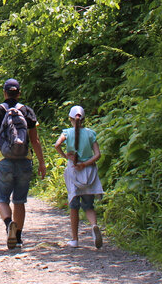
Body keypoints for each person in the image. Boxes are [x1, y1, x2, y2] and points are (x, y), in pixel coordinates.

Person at [0, 78, 47, 249]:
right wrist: (42, 163)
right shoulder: (27, 111)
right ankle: (18, 238)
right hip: (24, 161)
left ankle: (8, 225)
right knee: (19, 201)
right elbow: (35, 140)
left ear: (4, 93)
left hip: (4, 160)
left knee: (2, 199)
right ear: (19, 93)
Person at [54, 104, 103, 248]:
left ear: (70, 119)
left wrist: (65, 155)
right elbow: (98, 154)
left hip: (73, 170)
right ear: (83, 119)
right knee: (89, 205)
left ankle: (75, 240)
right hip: (89, 172)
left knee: (74, 206)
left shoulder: (67, 133)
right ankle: (94, 226)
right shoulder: (90, 133)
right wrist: (85, 164)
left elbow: (57, 145)